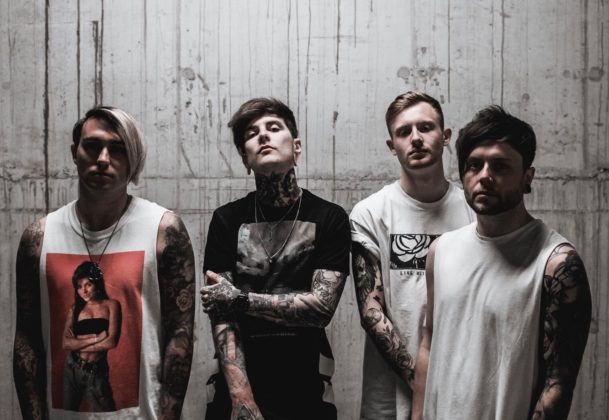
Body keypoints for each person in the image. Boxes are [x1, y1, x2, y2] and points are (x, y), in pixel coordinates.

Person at [13, 106, 195, 419]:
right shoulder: (38, 238)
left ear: (133, 158)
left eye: (118, 149)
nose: (103, 158)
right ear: (75, 152)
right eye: (92, 146)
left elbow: (179, 337)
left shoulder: (164, 231)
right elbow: (27, 340)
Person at [413, 106, 592, 419]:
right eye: (474, 165)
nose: (485, 176)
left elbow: (558, 384)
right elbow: (428, 344)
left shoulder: (557, 264)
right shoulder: (440, 251)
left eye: (500, 165)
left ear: (527, 178)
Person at [200, 97, 350, 420]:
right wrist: (241, 396)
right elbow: (221, 316)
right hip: (237, 386)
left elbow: (321, 309)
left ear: (296, 148)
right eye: (252, 134)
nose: (263, 136)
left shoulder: (329, 217)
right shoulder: (226, 220)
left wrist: (239, 299)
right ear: (245, 159)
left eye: (273, 128)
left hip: (305, 389)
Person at [349, 91, 474, 419]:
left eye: (426, 127)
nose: (416, 138)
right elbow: (371, 311)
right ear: (392, 145)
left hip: (462, 388)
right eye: (404, 132)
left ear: (445, 136)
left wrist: (445, 384)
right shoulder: (370, 213)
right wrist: (420, 383)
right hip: (388, 398)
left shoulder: (474, 211)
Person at [62, 261, 121, 411]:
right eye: (79, 286)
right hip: (71, 368)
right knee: (68, 415)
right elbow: (66, 343)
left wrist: (78, 342)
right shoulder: (75, 309)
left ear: (97, 283)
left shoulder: (111, 305)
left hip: (96, 372)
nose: (84, 291)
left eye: (88, 284)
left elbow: (111, 342)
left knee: (106, 415)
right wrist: (97, 338)